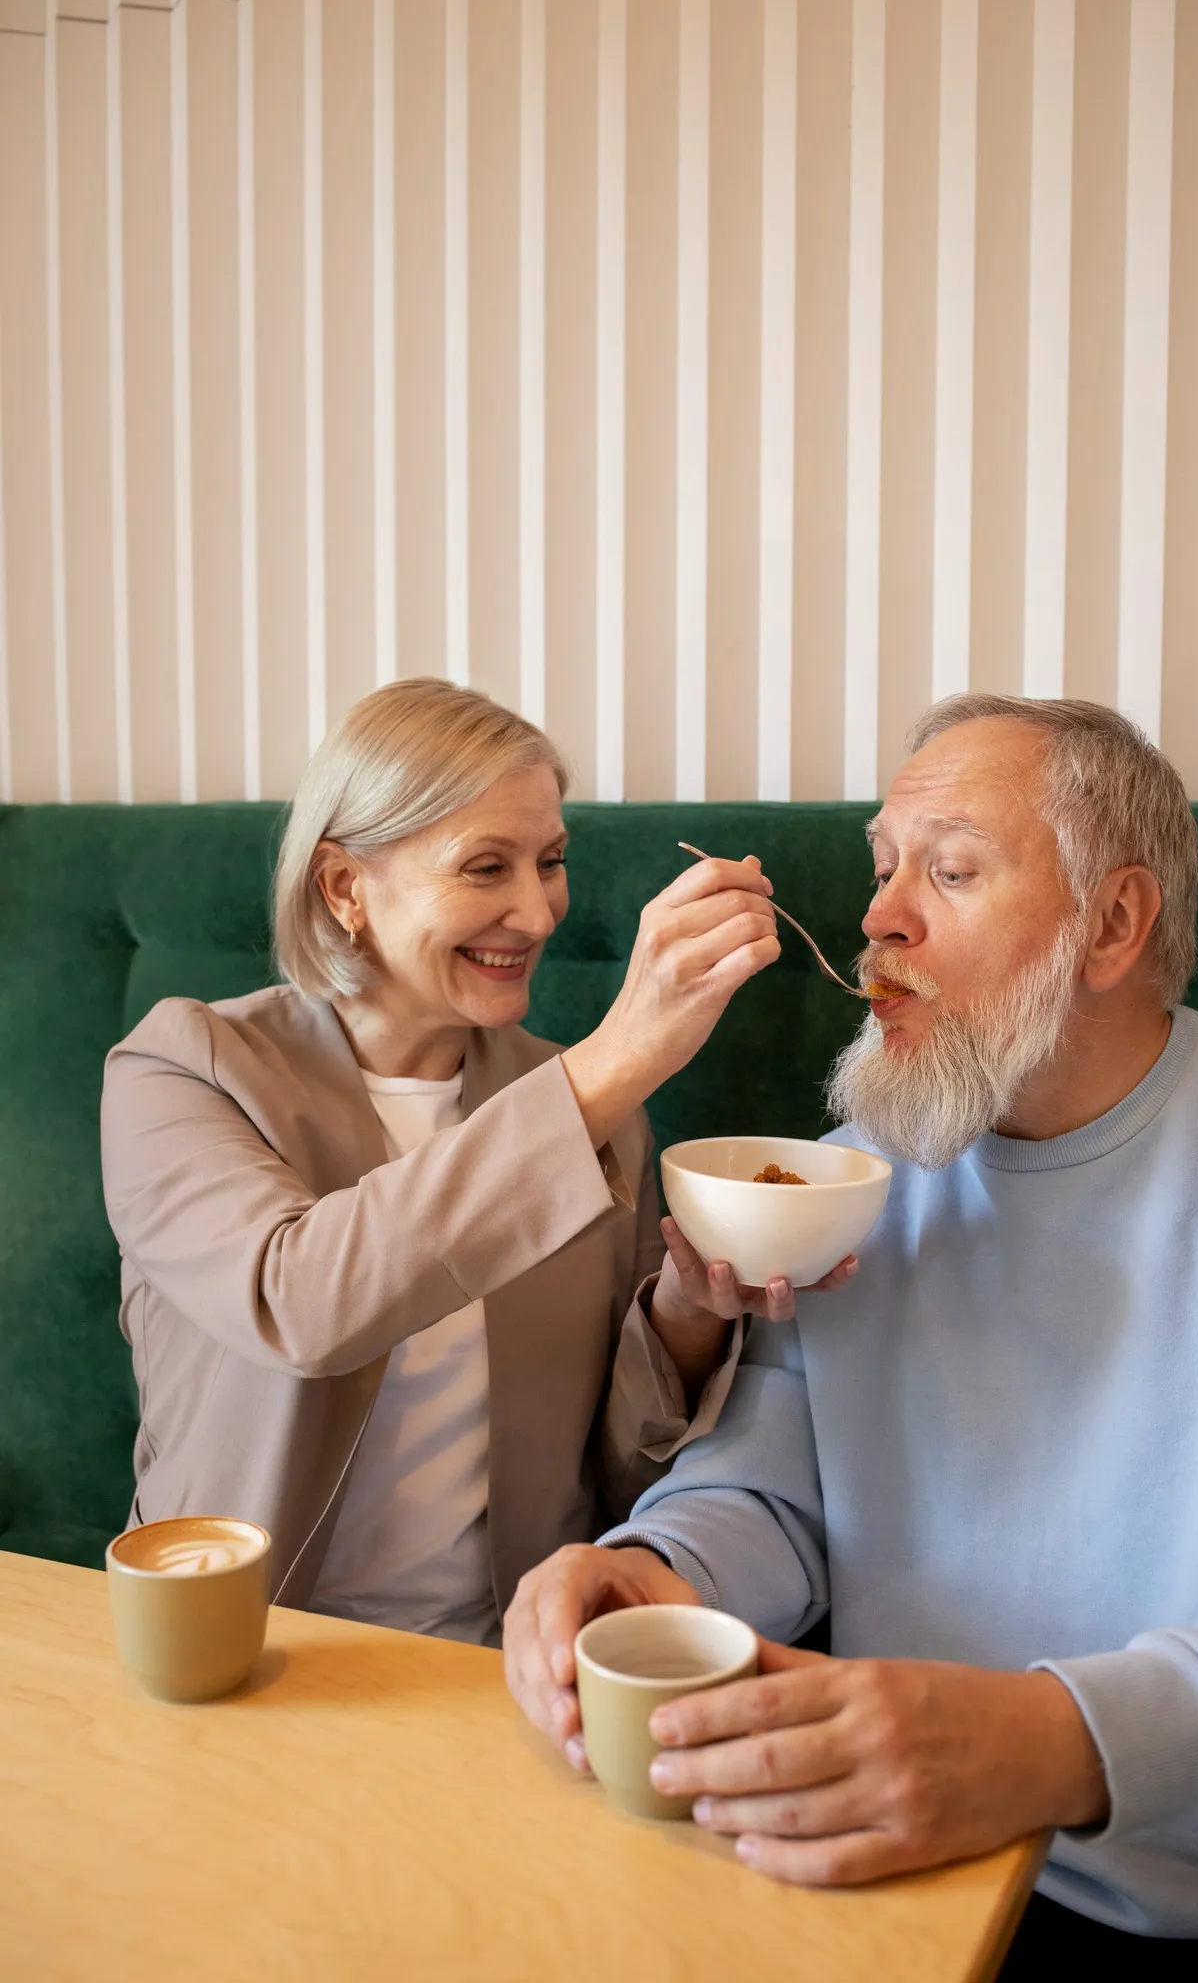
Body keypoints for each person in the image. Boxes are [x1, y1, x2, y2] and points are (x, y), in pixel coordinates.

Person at [505, 695, 1198, 1968]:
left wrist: (1039, 1742)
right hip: (885, 1869)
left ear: (1111, 923)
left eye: (948, 869)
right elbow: (770, 1489)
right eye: (883, 865)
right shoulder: (844, 1178)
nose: (879, 916)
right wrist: (659, 1574)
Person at [101, 677, 856, 1642]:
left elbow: (621, 1472)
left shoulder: (587, 1106)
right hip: (241, 1646)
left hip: (502, 1660)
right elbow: (298, 1305)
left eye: (549, 862)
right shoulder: (184, 1070)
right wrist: (620, 1056)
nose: (538, 914)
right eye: (484, 867)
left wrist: (687, 1313)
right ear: (344, 888)